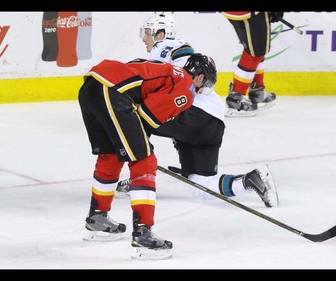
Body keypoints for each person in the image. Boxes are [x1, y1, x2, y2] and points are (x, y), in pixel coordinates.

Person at [117, 13, 279, 209]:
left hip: (193, 115)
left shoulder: (164, 46)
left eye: (148, 33)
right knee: (201, 185)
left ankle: (139, 176)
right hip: (212, 124)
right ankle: (251, 180)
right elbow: (200, 66)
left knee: (132, 119)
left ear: (161, 34)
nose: (144, 38)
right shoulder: (178, 48)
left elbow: (190, 67)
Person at [78, 55, 212, 260]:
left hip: (91, 88)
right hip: (114, 93)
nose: (202, 90)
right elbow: (148, 116)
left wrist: (136, 143)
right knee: (144, 161)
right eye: (206, 85)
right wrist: (141, 148)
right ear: (200, 78)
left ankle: (97, 218)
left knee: (111, 156)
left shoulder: (168, 71)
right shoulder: (185, 86)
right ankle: (143, 233)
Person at [222, 11, 284, 117]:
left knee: (257, 51)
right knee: (254, 54)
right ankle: (236, 98)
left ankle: (257, 91)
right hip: (250, 13)